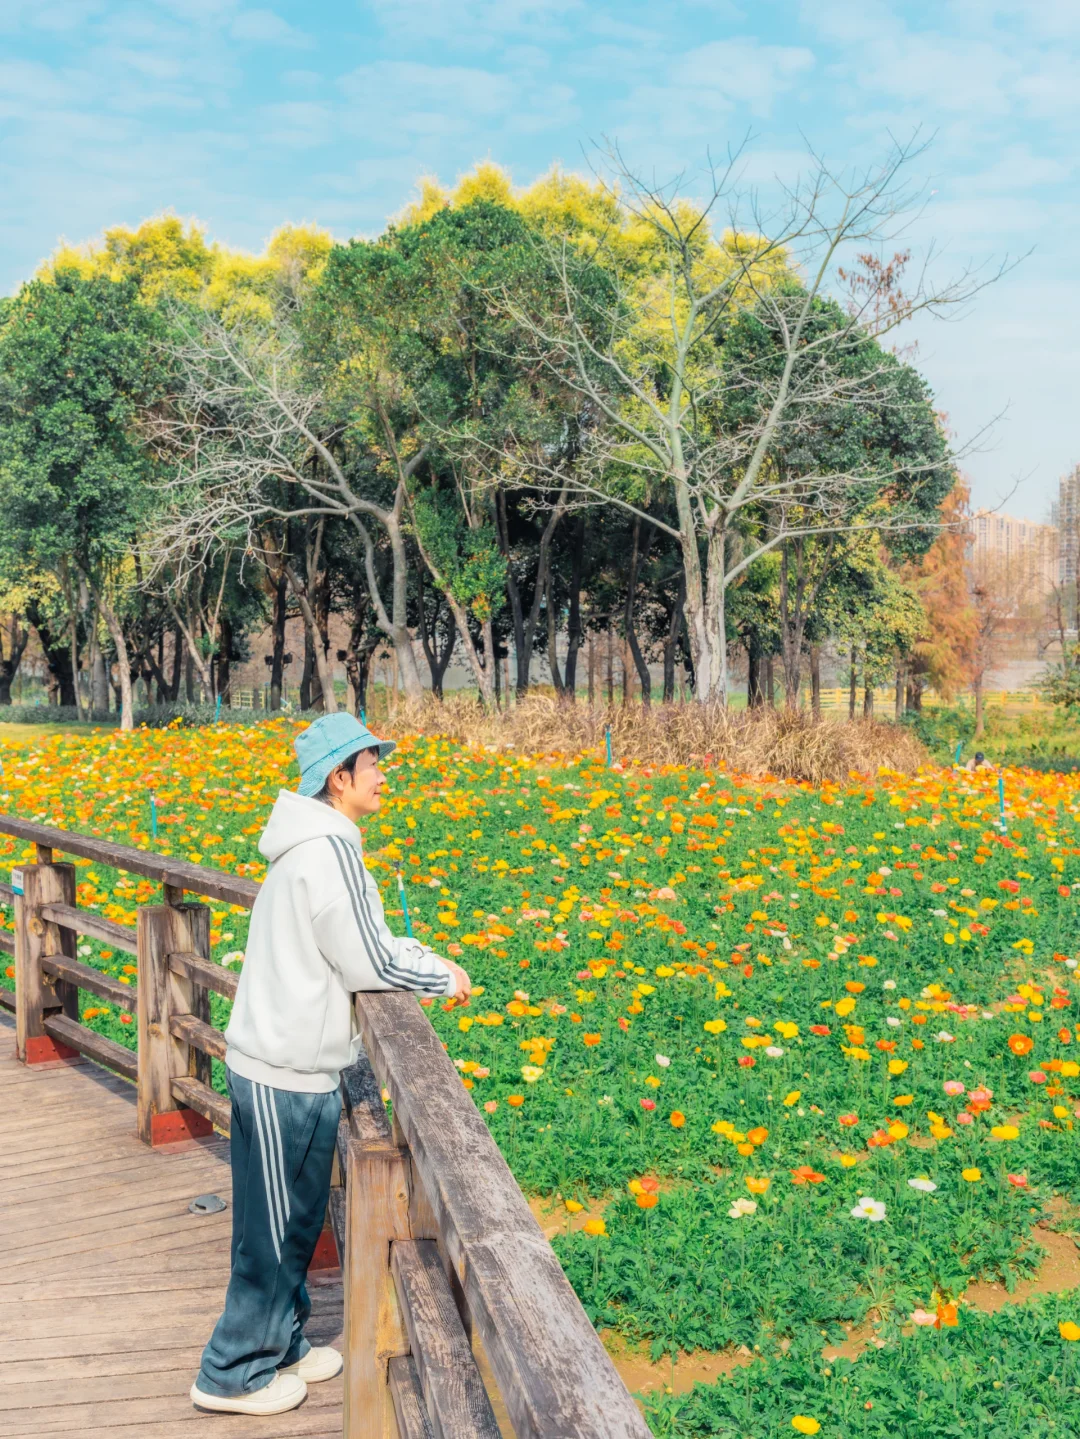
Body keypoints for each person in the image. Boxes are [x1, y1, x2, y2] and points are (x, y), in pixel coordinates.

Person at [191, 713, 471, 1416]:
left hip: (283, 1061)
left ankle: (280, 1342)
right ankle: (231, 1371)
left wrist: (424, 958)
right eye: (373, 763)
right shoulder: (328, 850)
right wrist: (441, 976)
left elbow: (364, 936)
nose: (384, 775)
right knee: (272, 1228)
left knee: (291, 1215)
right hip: (283, 1068)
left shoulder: (314, 846)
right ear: (338, 777)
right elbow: (367, 957)